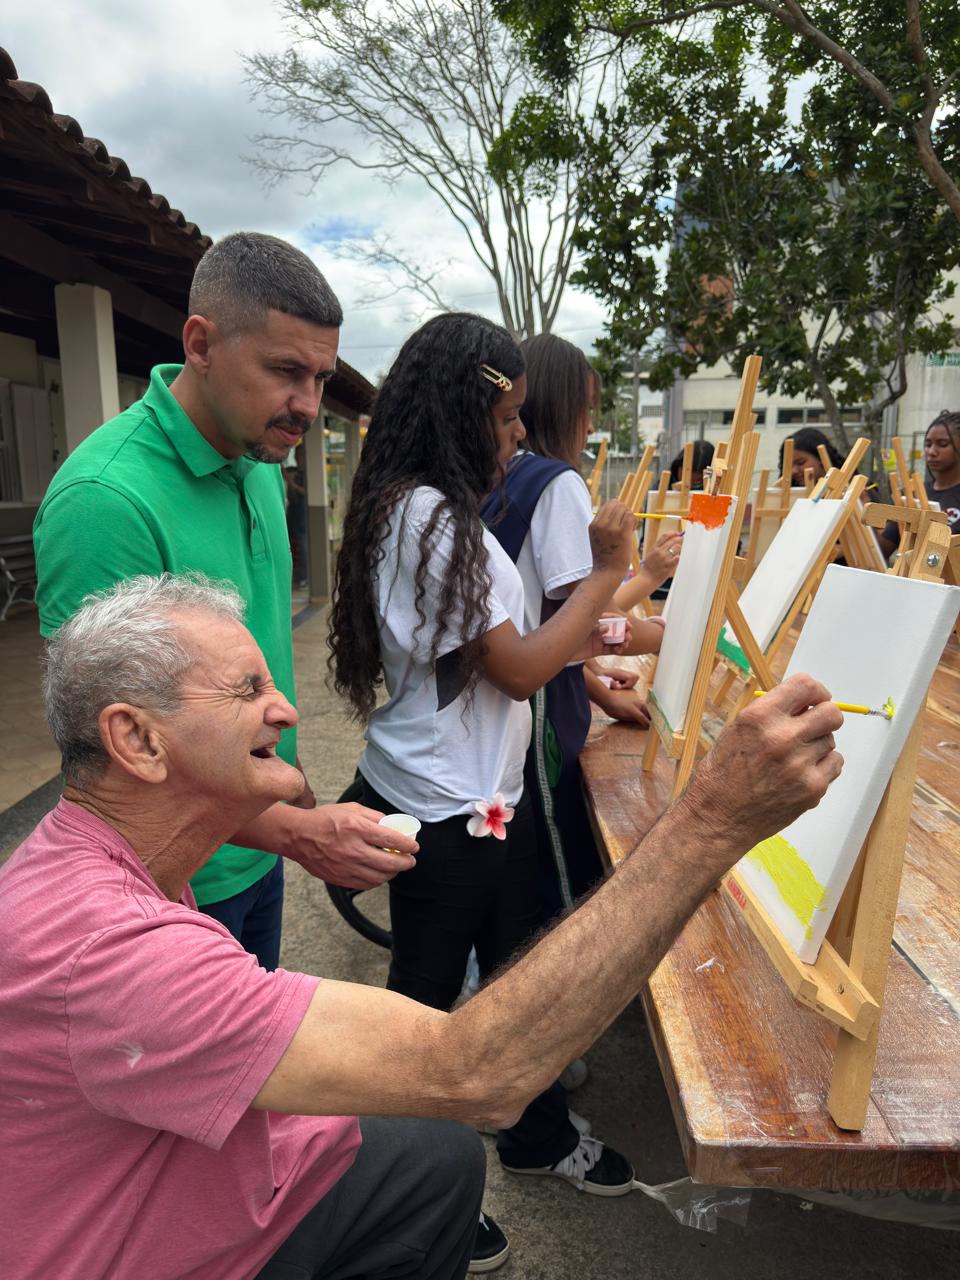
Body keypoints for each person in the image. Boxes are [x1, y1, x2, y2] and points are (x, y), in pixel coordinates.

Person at [0, 572, 844, 1280]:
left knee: (431, 1153)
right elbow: (481, 1071)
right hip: (125, 1250)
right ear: (137, 741)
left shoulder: (97, 856)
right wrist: (710, 823)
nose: (287, 710)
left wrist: (300, 830)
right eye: (248, 690)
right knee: (436, 1126)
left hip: (167, 1179)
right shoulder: (111, 953)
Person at [329, 313, 643, 1264]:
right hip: (444, 808)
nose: (518, 433)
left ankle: (536, 1134)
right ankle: (409, 1196)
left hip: (483, 802)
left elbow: (525, 657)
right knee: (424, 1014)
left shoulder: (437, 507)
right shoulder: (424, 515)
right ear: (464, 411)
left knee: (517, 976)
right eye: (505, 418)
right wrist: (613, 575)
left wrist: (590, 642)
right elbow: (515, 668)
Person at [33, 232, 416, 970]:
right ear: (201, 344)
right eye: (285, 371)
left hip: (256, 851)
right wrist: (298, 834)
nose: (306, 404)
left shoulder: (258, 460)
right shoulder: (106, 502)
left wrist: (286, 819)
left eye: (320, 377)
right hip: (165, 887)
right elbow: (111, 758)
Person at [480, 332, 677, 925]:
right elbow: (589, 616)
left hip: (529, 683)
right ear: (567, 405)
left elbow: (546, 610)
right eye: (588, 406)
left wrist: (594, 689)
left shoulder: (504, 475)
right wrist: (676, 631)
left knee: (534, 850)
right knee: (560, 865)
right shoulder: (556, 482)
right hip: (538, 698)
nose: (590, 423)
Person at [877, 410, 960, 558]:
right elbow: (881, 550)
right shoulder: (915, 494)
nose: (931, 452)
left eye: (942, 444)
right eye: (928, 444)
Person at [779, 427, 845, 486]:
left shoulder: (847, 489)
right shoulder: (789, 494)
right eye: (788, 466)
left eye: (800, 463)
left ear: (820, 457)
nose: (793, 471)